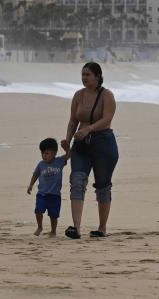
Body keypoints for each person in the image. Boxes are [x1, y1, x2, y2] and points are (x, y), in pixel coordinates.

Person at [62, 62, 119, 239]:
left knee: (103, 185)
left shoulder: (107, 95)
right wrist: (68, 140)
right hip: (81, 144)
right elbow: (73, 120)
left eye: (88, 74)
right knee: (77, 180)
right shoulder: (78, 95)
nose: (84, 78)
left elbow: (107, 118)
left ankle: (101, 228)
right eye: (83, 74)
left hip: (103, 143)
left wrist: (88, 129)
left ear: (98, 76)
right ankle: (76, 227)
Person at [26, 138, 71, 237]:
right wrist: (30, 185)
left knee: (53, 215)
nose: (44, 156)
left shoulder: (59, 161)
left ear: (54, 153)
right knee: (38, 210)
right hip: (42, 194)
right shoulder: (41, 164)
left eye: (46, 153)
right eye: (42, 153)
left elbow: (69, 155)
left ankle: (53, 231)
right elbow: (35, 175)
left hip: (55, 195)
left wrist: (67, 148)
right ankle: (39, 227)